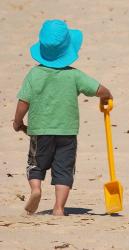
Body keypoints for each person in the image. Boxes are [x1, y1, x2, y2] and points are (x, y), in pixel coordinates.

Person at [13, 19, 113, 216]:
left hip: (40, 132)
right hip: (67, 133)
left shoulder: (34, 74)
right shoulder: (75, 76)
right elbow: (98, 89)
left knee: (36, 164)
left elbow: (23, 102)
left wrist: (18, 122)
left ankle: (35, 189)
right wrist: (108, 95)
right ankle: (59, 208)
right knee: (64, 170)